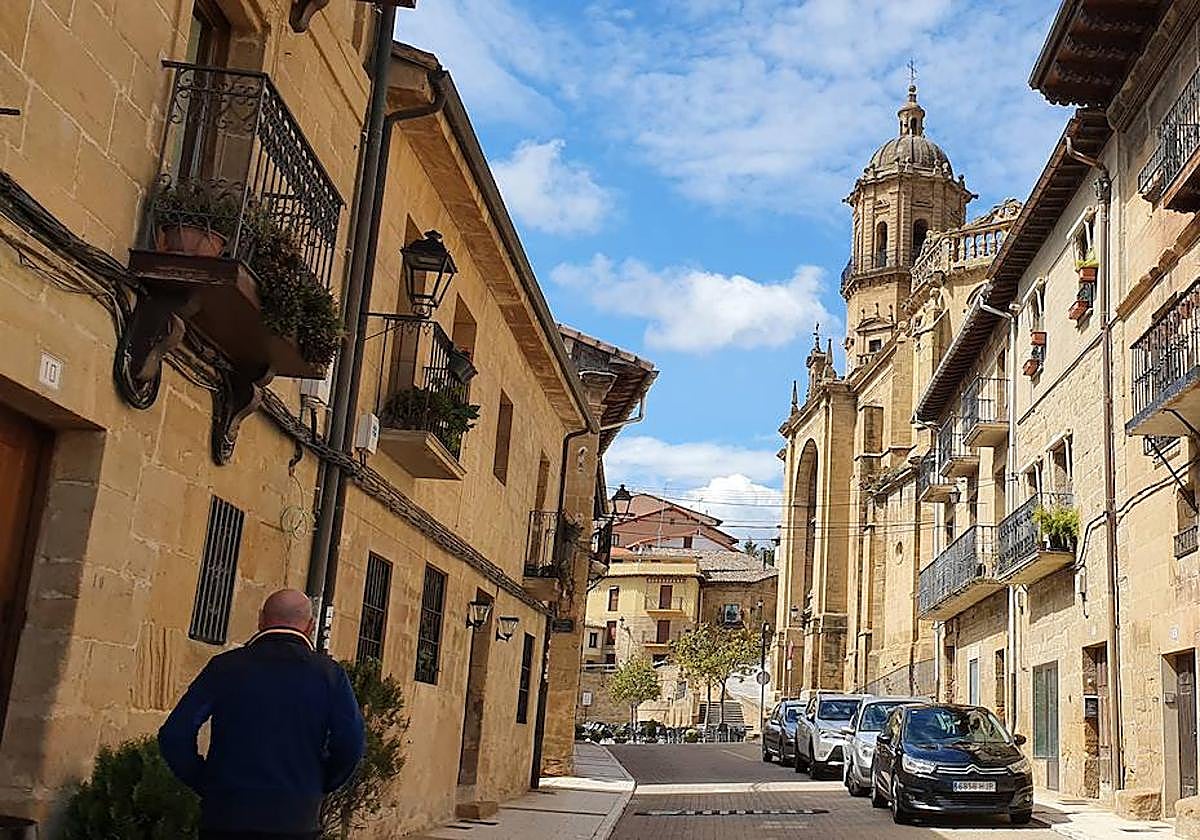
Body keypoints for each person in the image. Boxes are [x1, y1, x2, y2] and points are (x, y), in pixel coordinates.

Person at [159, 589, 365, 839]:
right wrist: (318, 783)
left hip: (227, 814)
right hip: (294, 817)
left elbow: (175, 734)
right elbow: (351, 743)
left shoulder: (225, 668)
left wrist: (207, 782)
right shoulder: (329, 675)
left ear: (261, 619)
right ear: (310, 626)